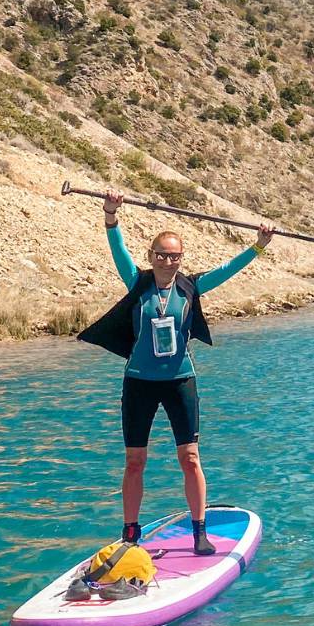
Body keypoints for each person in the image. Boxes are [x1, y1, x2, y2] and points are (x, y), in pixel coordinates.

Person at [79, 190, 272, 555]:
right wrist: (111, 214)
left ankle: (199, 530)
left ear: (182, 258)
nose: (168, 261)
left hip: (180, 381)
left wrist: (258, 246)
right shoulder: (137, 282)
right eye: (161, 255)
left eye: (174, 256)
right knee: (135, 461)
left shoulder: (190, 286)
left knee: (190, 457)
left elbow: (227, 270)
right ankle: (130, 533)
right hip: (139, 383)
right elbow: (117, 249)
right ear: (151, 256)